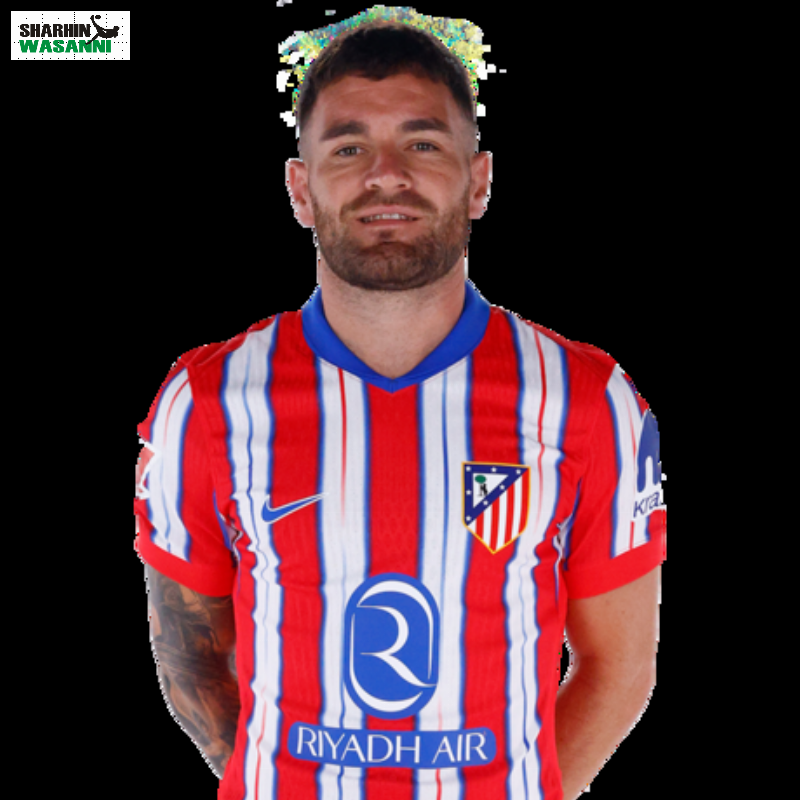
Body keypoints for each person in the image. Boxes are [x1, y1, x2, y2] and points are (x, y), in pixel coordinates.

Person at [134, 19, 665, 800]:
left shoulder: (587, 398)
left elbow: (619, 666)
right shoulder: (207, 401)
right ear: (301, 189)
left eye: (422, 143)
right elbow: (189, 655)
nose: (387, 176)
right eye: (348, 147)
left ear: (478, 181)